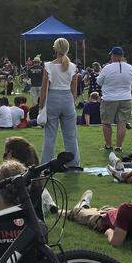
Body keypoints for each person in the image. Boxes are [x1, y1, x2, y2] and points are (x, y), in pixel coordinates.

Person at [62, 172, 132, 247]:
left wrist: (107, 230)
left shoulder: (127, 210)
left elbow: (116, 242)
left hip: (103, 221)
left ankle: (60, 209)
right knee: (107, 209)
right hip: (115, 215)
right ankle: (86, 206)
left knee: (77, 213)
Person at [39, 37, 81, 170]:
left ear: (55, 49)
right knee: (70, 136)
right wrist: (72, 101)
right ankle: (73, 164)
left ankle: (45, 165)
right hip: (67, 99)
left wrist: (41, 105)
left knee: (50, 135)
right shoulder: (73, 67)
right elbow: (74, 88)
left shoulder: (48, 66)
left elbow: (44, 87)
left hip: (53, 98)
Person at [98, 46, 132, 153]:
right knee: (122, 122)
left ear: (113, 55)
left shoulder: (107, 68)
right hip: (125, 97)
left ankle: (108, 145)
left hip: (109, 98)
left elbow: (99, 82)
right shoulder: (130, 68)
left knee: (106, 122)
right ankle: (119, 146)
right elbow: (131, 81)